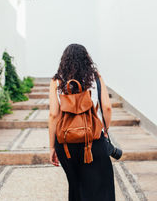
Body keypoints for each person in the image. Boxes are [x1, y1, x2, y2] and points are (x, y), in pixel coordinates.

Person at [48, 43, 115, 201]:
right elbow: (107, 108)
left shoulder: (57, 81)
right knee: (101, 187)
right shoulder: (95, 78)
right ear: (87, 59)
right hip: (93, 140)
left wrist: (52, 146)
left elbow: (53, 115)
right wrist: (104, 130)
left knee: (76, 186)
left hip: (66, 144)